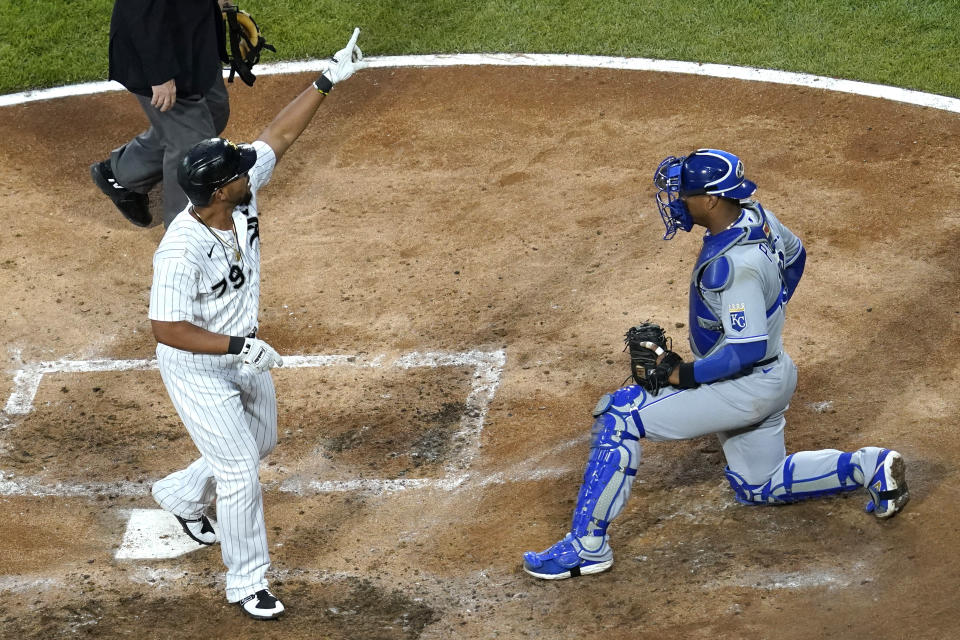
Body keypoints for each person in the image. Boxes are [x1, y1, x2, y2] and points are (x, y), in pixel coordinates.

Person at [521, 149, 910, 580]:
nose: (676, 202)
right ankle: (870, 466)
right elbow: (796, 257)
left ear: (710, 200)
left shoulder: (734, 266)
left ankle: (586, 546)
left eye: (684, 194)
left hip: (742, 385)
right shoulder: (756, 216)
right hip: (772, 374)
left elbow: (742, 350)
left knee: (619, 415)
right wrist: (769, 309)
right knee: (758, 485)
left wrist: (681, 374)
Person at [147, 29, 365, 619]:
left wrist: (328, 77)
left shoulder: (238, 196)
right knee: (241, 470)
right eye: (240, 170)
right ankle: (247, 582)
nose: (251, 167)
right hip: (198, 366)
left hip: (239, 353)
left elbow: (279, 135)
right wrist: (239, 344)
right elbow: (167, 328)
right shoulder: (180, 250)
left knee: (260, 440)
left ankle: (180, 495)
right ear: (219, 188)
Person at [90, 0, 232, 228]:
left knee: (215, 111)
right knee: (191, 141)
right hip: (156, 45)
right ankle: (183, 237)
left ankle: (123, 173)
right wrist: (159, 72)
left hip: (194, 32)